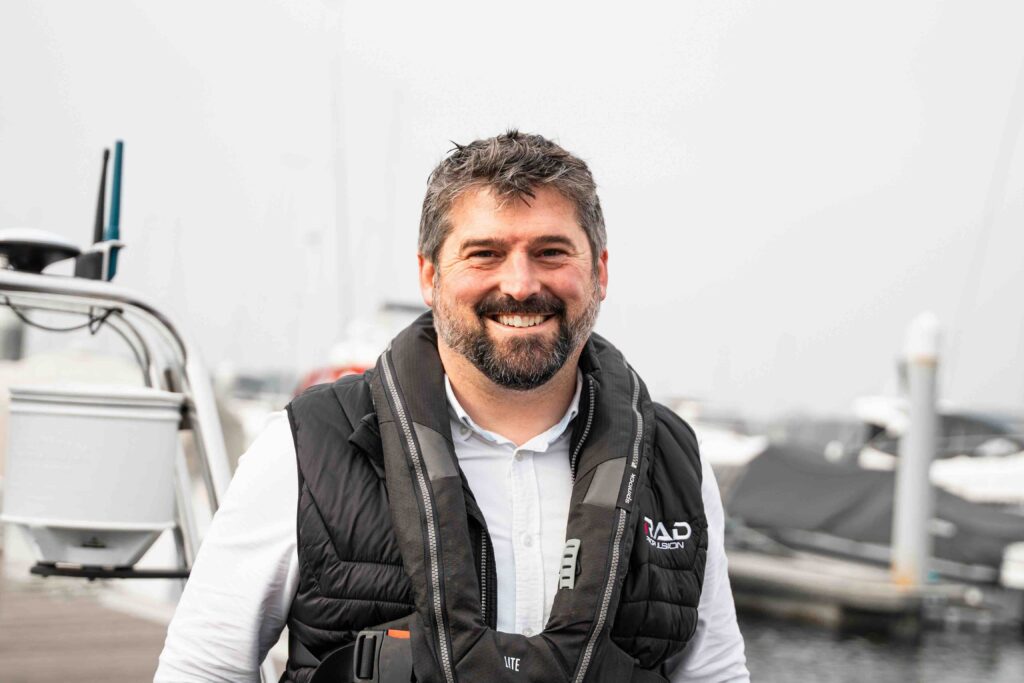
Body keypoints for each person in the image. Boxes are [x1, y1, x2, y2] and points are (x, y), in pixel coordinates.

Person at [156, 131, 749, 682]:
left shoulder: (673, 460)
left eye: (550, 251)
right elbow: (201, 667)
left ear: (599, 271)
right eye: (485, 254)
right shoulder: (306, 447)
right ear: (429, 275)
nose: (519, 284)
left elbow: (716, 673)